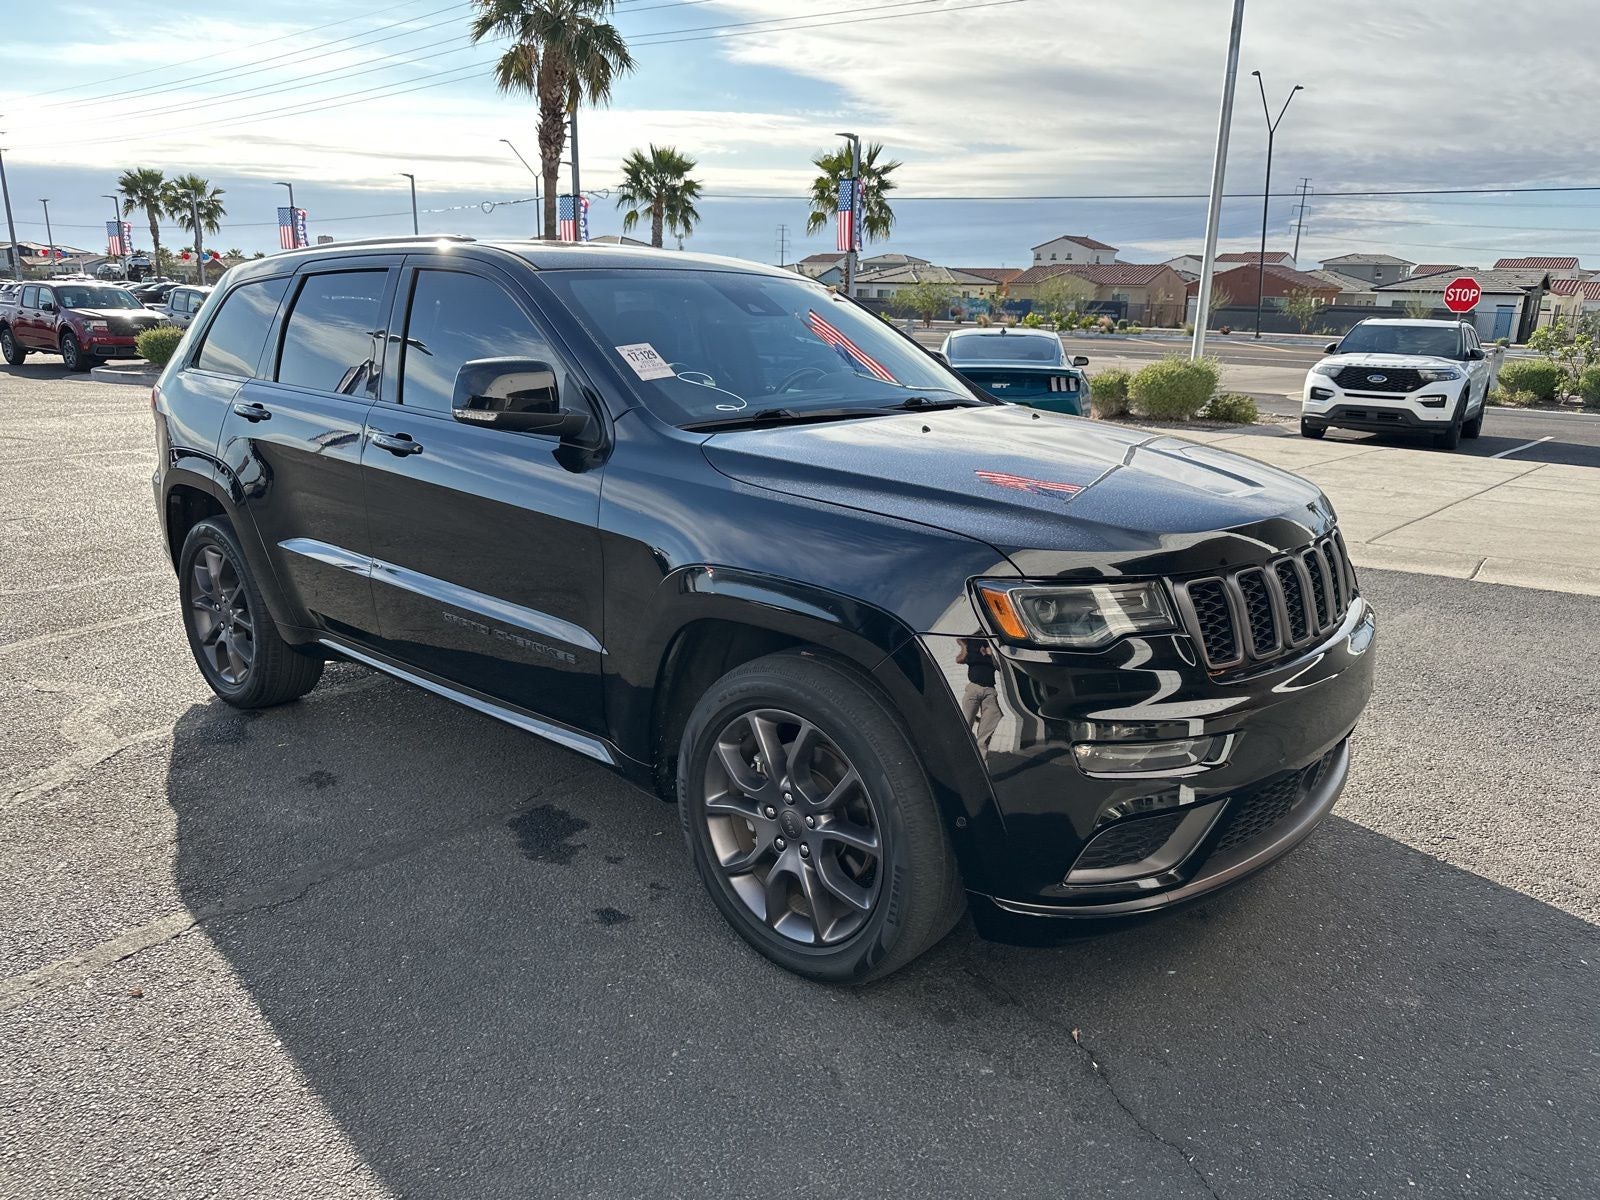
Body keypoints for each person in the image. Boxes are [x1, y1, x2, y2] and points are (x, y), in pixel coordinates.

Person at [955, 637, 1001, 750]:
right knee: (966, 722)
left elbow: (998, 667)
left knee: (995, 714)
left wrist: (991, 654)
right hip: (974, 689)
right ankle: (965, 747)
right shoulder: (972, 655)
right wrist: (964, 646)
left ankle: (982, 749)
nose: (982, 648)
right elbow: (959, 659)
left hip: (990, 690)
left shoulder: (990, 658)